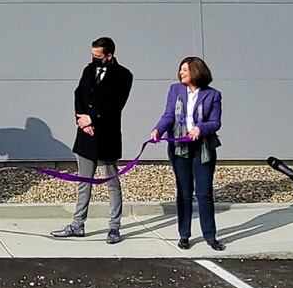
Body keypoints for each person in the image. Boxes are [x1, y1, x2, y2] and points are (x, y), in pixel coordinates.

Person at [53, 37, 134, 244]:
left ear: (109, 55)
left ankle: (114, 227)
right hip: (85, 135)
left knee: (111, 183)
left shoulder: (123, 75)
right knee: (83, 182)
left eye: (98, 56)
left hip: (107, 136)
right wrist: (81, 120)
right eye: (92, 55)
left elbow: (115, 104)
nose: (94, 59)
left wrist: (93, 117)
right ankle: (78, 224)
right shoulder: (88, 70)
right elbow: (78, 94)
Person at [151, 56, 224, 251]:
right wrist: (158, 129)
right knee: (183, 193)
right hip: (179, 148)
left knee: (204, 193)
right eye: (181, 69)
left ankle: (210, 236)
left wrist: (200, 128)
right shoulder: (175, 90)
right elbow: (168, 115)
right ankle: (184, 235)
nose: (181, 72)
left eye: (185, 69)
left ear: (196, 71)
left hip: (203, 149)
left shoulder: (213, 95)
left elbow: (215, 122)